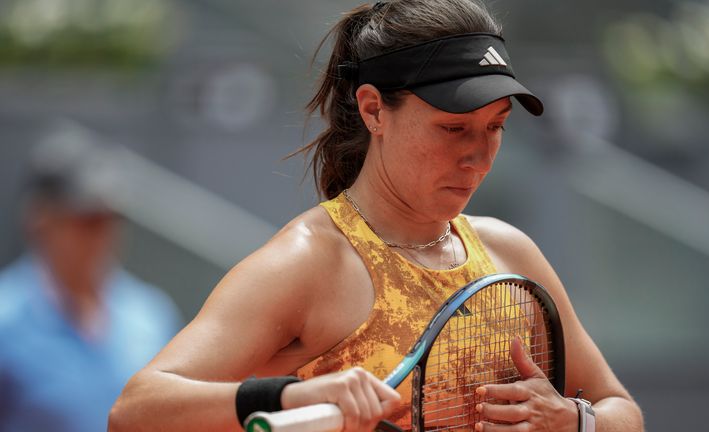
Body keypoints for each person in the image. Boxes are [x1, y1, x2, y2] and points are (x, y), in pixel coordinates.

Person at [110, 1, 644, 431]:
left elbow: (621, 409)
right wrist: (294, 395)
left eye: (496, 126)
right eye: (454, 127)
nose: (478, 155)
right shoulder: (308, 262)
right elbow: (136, 410)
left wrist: (574, 420)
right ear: (373, 110)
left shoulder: (510, 251)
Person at [0, 132, 182, 432]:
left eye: (109, 220)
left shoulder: (150, 313)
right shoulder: (6, 319)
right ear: (41, 219)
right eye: (85, 220)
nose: (100, 236)